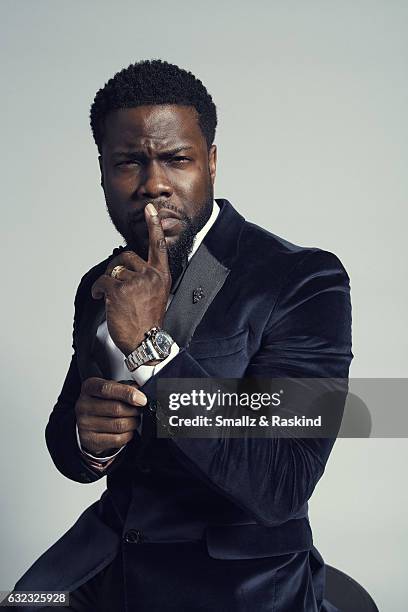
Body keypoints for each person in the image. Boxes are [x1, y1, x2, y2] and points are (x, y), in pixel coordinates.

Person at [15, 59, 353, 611]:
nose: (154, 184)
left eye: (176, 159)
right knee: (25, 603)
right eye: (129, 162)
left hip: (236, 580)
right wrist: (88, 443)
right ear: (102, 170)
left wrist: (151, 347)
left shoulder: (302, 280)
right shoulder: (101, 284)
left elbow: (281, 487)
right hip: (104, 560)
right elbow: (67, 443)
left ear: (211, 163)